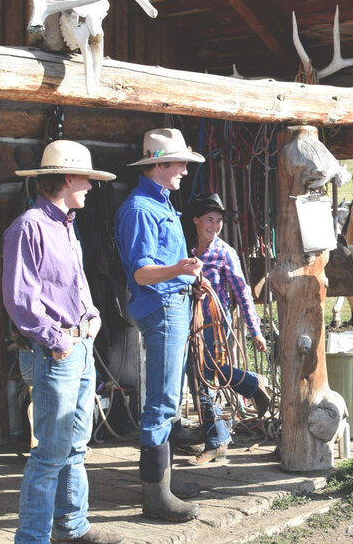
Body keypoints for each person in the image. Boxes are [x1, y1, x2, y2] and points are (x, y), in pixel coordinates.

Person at [2, 140, 122, 544]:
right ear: (68, 178)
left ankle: (71, 526)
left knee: (75, 445)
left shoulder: (64, 224)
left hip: (78, 348)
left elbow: (73, 284)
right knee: (50, 452)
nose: (90, 186)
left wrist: (92, 315)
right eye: (86, 179)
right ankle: (32, 539)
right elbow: (21, 298)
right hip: (59, 353)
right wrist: (57, 341)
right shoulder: (29, 226)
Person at [114, 128, 205, 522]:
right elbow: (141, 273)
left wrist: (185, 276)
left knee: (169, 398)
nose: (185, 169)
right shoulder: (139, 209)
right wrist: (179, 270)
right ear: (158, 165)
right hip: (164, 306)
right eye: (179, 163)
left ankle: (162, 485)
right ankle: (155, 498)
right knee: (162, 402)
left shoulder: (161, 204)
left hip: (175, 303)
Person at [183, 192, 271, 465]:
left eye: (219, 220)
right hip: (189, 322)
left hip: (213, 323)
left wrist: (255, 330)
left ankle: (217, 440)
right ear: (196, 220)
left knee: (205, 375)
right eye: (209, 219)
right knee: (199, 377)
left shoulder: (223, 252)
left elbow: (242, 292)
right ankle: (218, 433)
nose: (214, 226)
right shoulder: (185, 248)